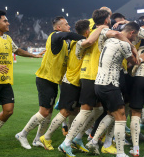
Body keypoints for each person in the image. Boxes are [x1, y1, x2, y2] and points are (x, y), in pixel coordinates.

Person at [58, 9, 137, 157]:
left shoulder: (90, 34)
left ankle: (82, 138)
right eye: (109, 16)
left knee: (102, 111)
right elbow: (116, 34)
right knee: (89, 111)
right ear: (107, 20)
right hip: (96, 76)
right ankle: (68, 142)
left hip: (90, 76)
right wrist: (132, 47)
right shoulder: (102, 31)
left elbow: (81, 51)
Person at [0, 10, 42, 157]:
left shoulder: (8, 38)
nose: (8, 23)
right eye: (5, 21)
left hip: (5, 81)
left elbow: (17, 50)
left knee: (9, 111)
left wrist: (33, 55)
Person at [15, 16, 85, 150]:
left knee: (49, 111)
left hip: (53, 80)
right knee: (44, 111)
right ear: (59, 27)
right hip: (45, 79)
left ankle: (37, 139)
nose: (69, 26)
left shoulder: (64, 43)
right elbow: (69, 34)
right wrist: (86, 38)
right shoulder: (55, 36)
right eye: (66, 24)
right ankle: (22, 134)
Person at [39, 20, 108, 151]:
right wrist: (101, 28)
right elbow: (89, 41)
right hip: (71, 81)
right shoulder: (81, 42)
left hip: (76, 81)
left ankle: (72, 139)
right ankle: (46, 137)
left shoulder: (75, 41)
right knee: (65, 112)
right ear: (87, 31)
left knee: (76, 112)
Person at [94, 22, 140, 157]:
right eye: (135, 36)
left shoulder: (108, 40)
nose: (134, 39)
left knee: (111, 114)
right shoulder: (125, 45)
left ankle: (93, 140)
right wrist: (139, 55)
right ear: (131, 33)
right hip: (110, 84)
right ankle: (120, 152)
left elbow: (114, 34)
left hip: (99, 83)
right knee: (121, 116)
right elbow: (134, 61)